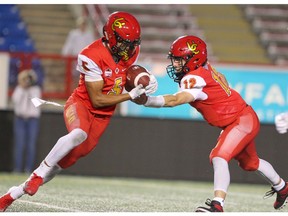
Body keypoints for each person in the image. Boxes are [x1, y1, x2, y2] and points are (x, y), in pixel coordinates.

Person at [0, 11, 157, 212]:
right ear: (110, 36)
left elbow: (124, 79)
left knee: (58, 165)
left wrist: (143, 82)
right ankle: (38, 174)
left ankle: (12, 194)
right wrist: (131, 95)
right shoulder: (91, 55)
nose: (129, 48)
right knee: (78, 134)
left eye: (132, 43)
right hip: (82, 104)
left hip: (103, 117)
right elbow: (97, 99)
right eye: (125, 42)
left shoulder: (130, 51)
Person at [135, 35, 288, 212]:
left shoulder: (193, 78)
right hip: (240, 118)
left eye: (179, 60)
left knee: (219, 156)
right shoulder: (205, 67)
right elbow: (221, 77)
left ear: (194, 59)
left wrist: (147, 101)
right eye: (174, 60)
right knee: (250, 163)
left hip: (241, 120)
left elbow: (175, 100)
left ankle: (217, 205)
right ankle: (283, 187)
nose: (175, 64)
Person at [11, 69, 42, 173]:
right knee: (19, 144)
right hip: (20, 119)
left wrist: (29, 88)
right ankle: (17, 169)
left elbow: (36, 102)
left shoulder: (36, 90)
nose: (27, 81)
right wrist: (22, 88)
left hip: (32, 120)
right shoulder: (19, 89)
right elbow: (15, 100)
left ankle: (28, 169)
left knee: (31, 145)